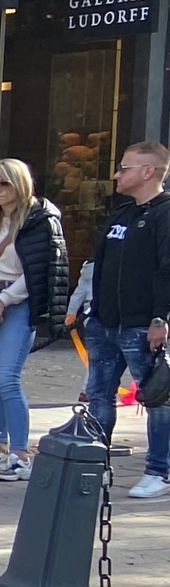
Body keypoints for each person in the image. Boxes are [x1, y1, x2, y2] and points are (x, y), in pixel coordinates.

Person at [0, 159, 68, 480]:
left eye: (3, 184)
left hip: (18, 302)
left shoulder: (40, 220)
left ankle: (20, 453)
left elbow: (39, 272)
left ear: (19, 184)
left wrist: (4, 300)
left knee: (8, 378)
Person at [82, 139, 170, 500]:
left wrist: (160, 318)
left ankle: (159, 470)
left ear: (148, 171)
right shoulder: (120, 213)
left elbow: (167, 269)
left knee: (156, 398)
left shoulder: (165, 213)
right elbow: (99, 265)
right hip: (104, 322)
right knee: (98, 395)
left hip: (141, 324)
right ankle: (95, 462)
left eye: (125, 167)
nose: (117, 174)